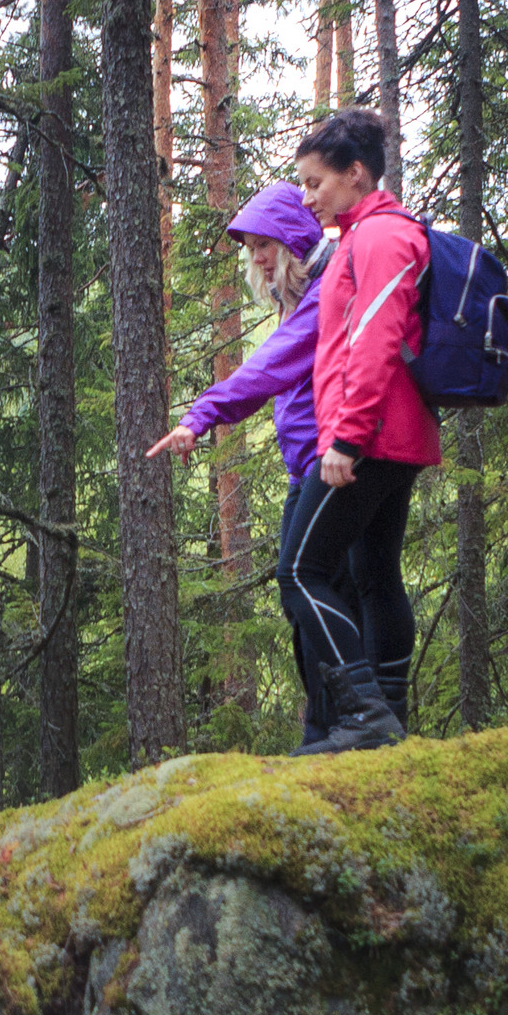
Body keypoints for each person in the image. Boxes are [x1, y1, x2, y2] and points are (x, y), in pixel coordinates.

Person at [145, 183, 337, 746]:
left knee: (302, 582)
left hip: (332, 463)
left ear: (294, 241)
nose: (256, 256)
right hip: (310, 466)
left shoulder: (321, 298)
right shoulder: (297, 303)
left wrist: (200, 415)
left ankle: (348, 722)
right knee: (321, 592)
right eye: (251, 246)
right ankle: (332, 728)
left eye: (265, 244)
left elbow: (265, 371)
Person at [288, 107, 435, 755]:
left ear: (355, 174)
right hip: (391, 435)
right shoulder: (364, 236)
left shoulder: (378, 239)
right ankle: (388, 720)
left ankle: (365, 714)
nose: (307, 195)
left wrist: (344, 438)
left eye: (316, 181)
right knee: (375, 575)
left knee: (300, 570)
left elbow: (374, 343)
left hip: (369, 436)